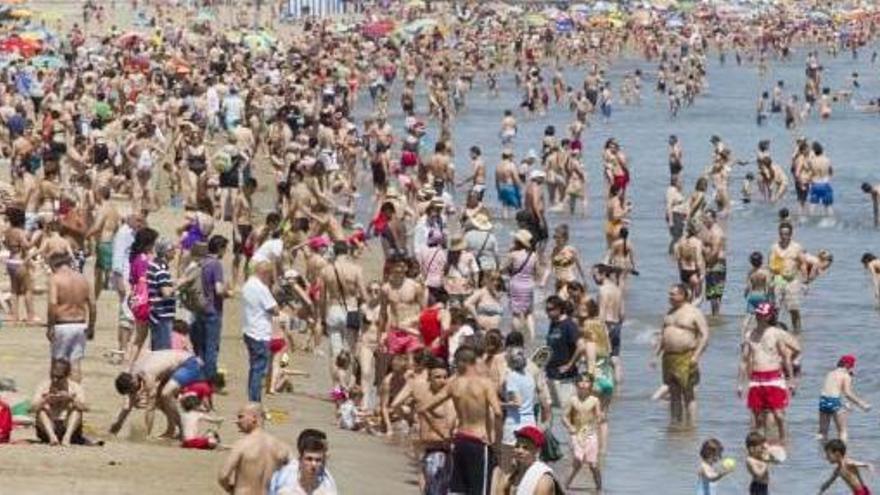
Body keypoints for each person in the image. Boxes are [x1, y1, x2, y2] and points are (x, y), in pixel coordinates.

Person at [420, 346, 502, 495]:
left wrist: (443, 434)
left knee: (458, 490)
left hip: (460, 440)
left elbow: (424, 409)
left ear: (462, 362)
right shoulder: (485, 384)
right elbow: (497, 412)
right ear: (474, 362)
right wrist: (496, 441)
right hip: (479, 440)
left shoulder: (454, 384)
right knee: (479, 490)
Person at [739, 302, 799, 442]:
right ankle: (762, 444)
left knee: (778, 414)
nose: (759, 317)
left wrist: (791, 379)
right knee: (757, 417)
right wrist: (740, 384)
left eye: (763, 315)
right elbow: (743, 360)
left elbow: (793, 351)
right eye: (758, 314)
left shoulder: (776, 333)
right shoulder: (750, 334)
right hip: (756, 379)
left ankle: (783, 441)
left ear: (769, 316)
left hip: (774, 378)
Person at [110, 350, 204, 438]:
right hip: (175, 367)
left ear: (133, 382)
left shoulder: (147, 374)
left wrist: (146, 435)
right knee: (160, 398)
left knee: (165, 394)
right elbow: (128, 405)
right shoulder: (132, 373)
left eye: (133, 391)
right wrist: (116, 427)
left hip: (190, 364)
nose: (134, 393)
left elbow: (150, 408)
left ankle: (181, 430)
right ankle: (172, 429)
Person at [657, 283, 709, 425]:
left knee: (688, 394)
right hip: (669, 357)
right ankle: (676, 425)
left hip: (686, 356)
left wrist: (696, 356)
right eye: (669, 294)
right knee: (673, 393)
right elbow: (662, 335)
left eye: (673, 294)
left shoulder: (693, 312)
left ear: (682, 295)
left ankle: (691, 426)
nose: (670, 297)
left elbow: (705, 335)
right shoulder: (669, 313)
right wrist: (655, 355)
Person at [218, 403, 290, 495]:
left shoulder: (242, 444)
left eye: (241, 417)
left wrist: (230, 488)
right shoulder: (281, 447)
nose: (237, 421)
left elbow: (223, 476)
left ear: (254, 418)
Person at [46, 252, 95, 383]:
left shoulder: (55, 279)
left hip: (62, 324)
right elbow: (93, 304)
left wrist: (50, 326)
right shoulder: (83, 279)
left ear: (53, 264)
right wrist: (91, 326)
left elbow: (52, 304)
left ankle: (56, 394)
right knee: (75, 363)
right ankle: (76, 394)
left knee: (57, 363)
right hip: (80, 324)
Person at [192, 235, 233, 384]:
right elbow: (219, 290)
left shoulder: (201, 262)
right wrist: (229, 293)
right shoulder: (215, 264)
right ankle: (210, 379)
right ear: (220, 248)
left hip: (199, 308)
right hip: (212, 310)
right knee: (211, 347)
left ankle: (200, 376)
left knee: (200, 346)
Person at [241, 261, 279, 403]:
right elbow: (274, 309)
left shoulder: (248, 284)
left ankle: (252, 397)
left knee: (253, 367)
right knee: (259, 369)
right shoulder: (261, 288)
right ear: (265, 274)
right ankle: (255, 401)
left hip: (248, 329)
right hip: (259, 332)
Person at [30, 359, 87, 446]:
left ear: (67, 376)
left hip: (67, 425)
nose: (55, 380)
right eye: (53, 376)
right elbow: (31, 409)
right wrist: (45, 400)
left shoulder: (75, 387)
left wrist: (71, 399)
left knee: (77, 411)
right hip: (49, 427)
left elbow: (85, 408)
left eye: (59, 377)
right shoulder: (44, 386)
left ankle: (66, 438)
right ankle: (52, 438)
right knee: (41, 411)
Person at [561, 373, 603, 492]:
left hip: (590, 434)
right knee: (577, 461)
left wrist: (600, 418)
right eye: (581, 381)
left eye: (587, 381)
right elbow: (564, 416)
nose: (584, 384)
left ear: (591, 385)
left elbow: (599, 416)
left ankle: (599, 488)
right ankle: (564, 487)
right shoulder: (572, 400)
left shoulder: (595, 400)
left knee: (593, 465)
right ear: (576, 384)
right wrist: (569, 426)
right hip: (576, 434)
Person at [494, 425, 560, 495]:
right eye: (517, 446)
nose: (519, 451)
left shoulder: (543, 479)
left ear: (537, 450)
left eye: (525, 448)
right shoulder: (508, 477)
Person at [818, 355, 871, 442]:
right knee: (842, 431)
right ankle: (843, 452)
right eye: (851, 366)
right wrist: (862, 404)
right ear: (848, 365)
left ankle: (821, 451)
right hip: (834, 401)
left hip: (823, 401)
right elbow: (847, 393)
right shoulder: (845, 376)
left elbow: (833, 387)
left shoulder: (830, 373)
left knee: (822, 432)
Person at [269, 429, 338, 495]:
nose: (313, 464)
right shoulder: (287, 478)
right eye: (309, 459)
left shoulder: (327, 483)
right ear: (300, 459)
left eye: (318, 460)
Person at [544, 295, 580, 406]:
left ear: (559, 309)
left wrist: (569, 365)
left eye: (550, 309)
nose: (548, 313)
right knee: (553, 408)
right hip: (551, 373)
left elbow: (581, 347)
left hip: (565, 376)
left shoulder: (569, 325)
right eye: (546, 309)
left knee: (566, 409)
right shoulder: (553, 323)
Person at [146, 238, 176, 350]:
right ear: (166, 252)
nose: (175, 252)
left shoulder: (153, 265)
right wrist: (180, 283)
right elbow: (166, 292)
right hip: (162, 315)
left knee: (156, 349)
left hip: (155, 314)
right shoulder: (161, 269)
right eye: (173, 250)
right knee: (163, 351)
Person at [745, 431, 782, 495]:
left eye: (762, 447)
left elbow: (777, 461)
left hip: (764, 486)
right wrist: (765, 462)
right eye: (761, 447)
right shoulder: (750, 460)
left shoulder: (761, 457)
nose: (762, 449)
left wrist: (771, 455)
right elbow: (759, 474)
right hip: (757, 487)